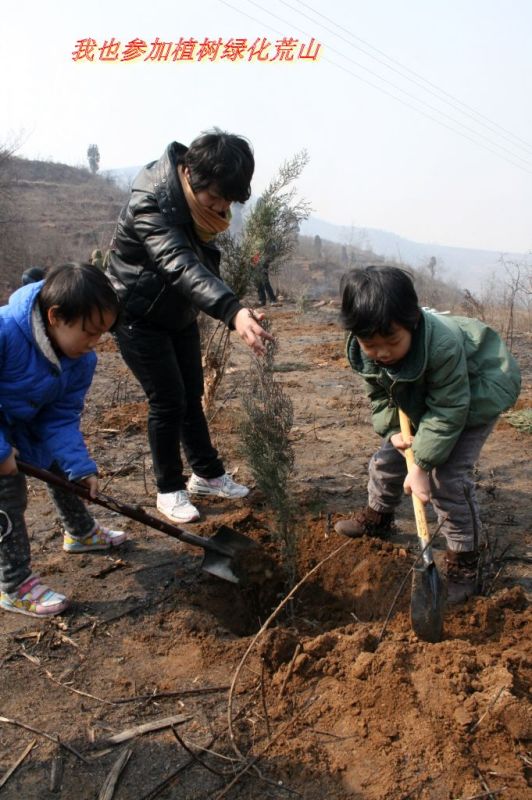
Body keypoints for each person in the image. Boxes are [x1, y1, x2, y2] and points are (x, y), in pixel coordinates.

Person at [106, 130, 273, 525]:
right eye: (213, 198)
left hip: (177, 311)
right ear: (189, 175)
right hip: (138, 314)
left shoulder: (198, 207)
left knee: (191, 395)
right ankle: (168, 489)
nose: (219, 208)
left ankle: (207, 475)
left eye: (227, 201)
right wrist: (232, 310)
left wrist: (233, 309)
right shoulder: (151, 201)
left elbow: (194, 269)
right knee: (167, 402)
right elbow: (179, 263)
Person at [335, 265, 521, 603]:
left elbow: (450, 409)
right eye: (370, 344)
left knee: (446, 480)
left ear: (414, 322)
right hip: (423, 397)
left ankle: (464, 561)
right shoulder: (365, 349)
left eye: (392, 341)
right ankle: (377, 518)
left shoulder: (442, 346)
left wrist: (420, 465)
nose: (381, 353)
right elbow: (380, 394)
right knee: (386, 461)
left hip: (473, 395)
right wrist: (393, 430)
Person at [0, 263, 127, 618]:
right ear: (56, 316)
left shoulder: (80, 360)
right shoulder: (5, 333)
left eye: (102, 333)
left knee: (60, 467)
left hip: (25, 425)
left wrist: (80, 466)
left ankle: (81, 533)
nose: (95, 343)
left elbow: (59, 417)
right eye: (89, 332)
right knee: (7, 494)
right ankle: (14, 584)